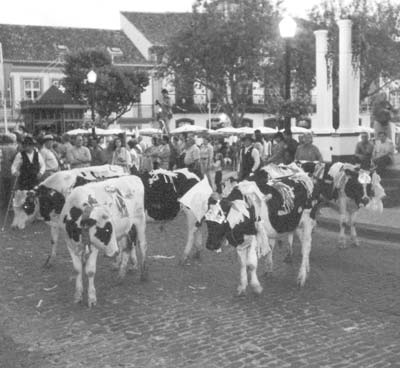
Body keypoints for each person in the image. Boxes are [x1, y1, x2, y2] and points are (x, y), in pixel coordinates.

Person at [0, 133, 18, 209]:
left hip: (3, 172)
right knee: (12, 189)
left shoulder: (1, 148)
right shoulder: (14, 148)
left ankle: (3, 203)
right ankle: (11, 204)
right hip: (12, 172)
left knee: (3, 189)